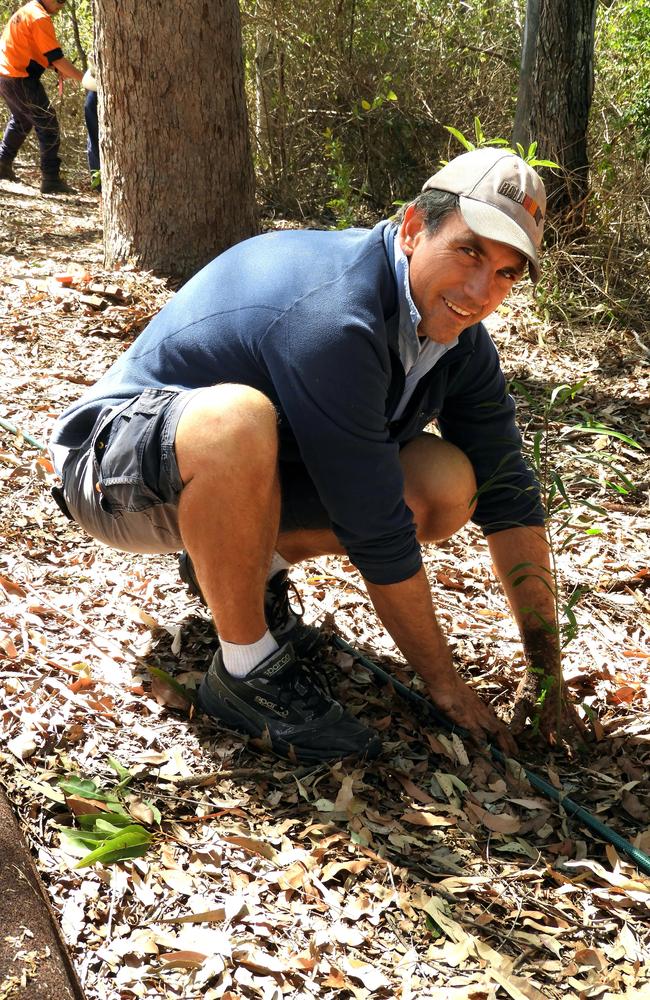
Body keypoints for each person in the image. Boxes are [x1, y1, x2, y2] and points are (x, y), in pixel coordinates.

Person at [49, 147, 584, 762]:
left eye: (506, 273)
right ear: (413, 228)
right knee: (237, 422)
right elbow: (375, 530)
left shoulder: (458, 341)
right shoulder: (334, 313)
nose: (479, 289)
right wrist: (445, 685)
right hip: (112, 471)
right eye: (468, 251)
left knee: (445, 483)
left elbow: (508, 494)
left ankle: (242, 572)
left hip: (232, 477)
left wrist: (546, 680)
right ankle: (247, 671)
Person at [0, 0, 82, 193]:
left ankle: (3, 164)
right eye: (59, 0)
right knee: (48, 124)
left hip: (5, 76)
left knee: (21, 121)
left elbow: (36, 51)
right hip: (19, 77)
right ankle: (51, 178)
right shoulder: (39, 16)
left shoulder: (28, 11)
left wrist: (55, 67)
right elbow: (56, 57)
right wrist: (83, 78)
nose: (62, 5)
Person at [81, 64, 99, 188]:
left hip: (96, 91)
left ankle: (99, 184)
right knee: (95, 139)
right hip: (96, 91)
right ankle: (99, 184)